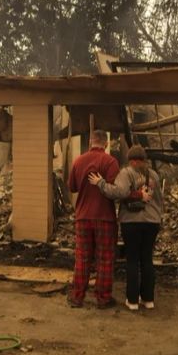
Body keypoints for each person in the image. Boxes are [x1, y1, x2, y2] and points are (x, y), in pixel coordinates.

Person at [88, 144, 163, 311]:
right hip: (152, 222)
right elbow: (159, 200)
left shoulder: (127, 173)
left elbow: (119, 193)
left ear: (131, 160)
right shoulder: (154, 176)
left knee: (132, 260)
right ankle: (148, 300)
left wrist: (100, 183)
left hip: (132, 222)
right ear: (144, 159)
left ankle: (132, 301)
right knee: (147, 260)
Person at [66, 129, 121, 309]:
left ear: (91, 142)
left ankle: (77, 297)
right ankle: (103, 298)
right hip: (104, 217)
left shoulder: (79, 161)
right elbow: (115, 190)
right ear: (106, 143)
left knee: (82, 257)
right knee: (105, 258)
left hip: (83, 217)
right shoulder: (111, 162)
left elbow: (72, 187)